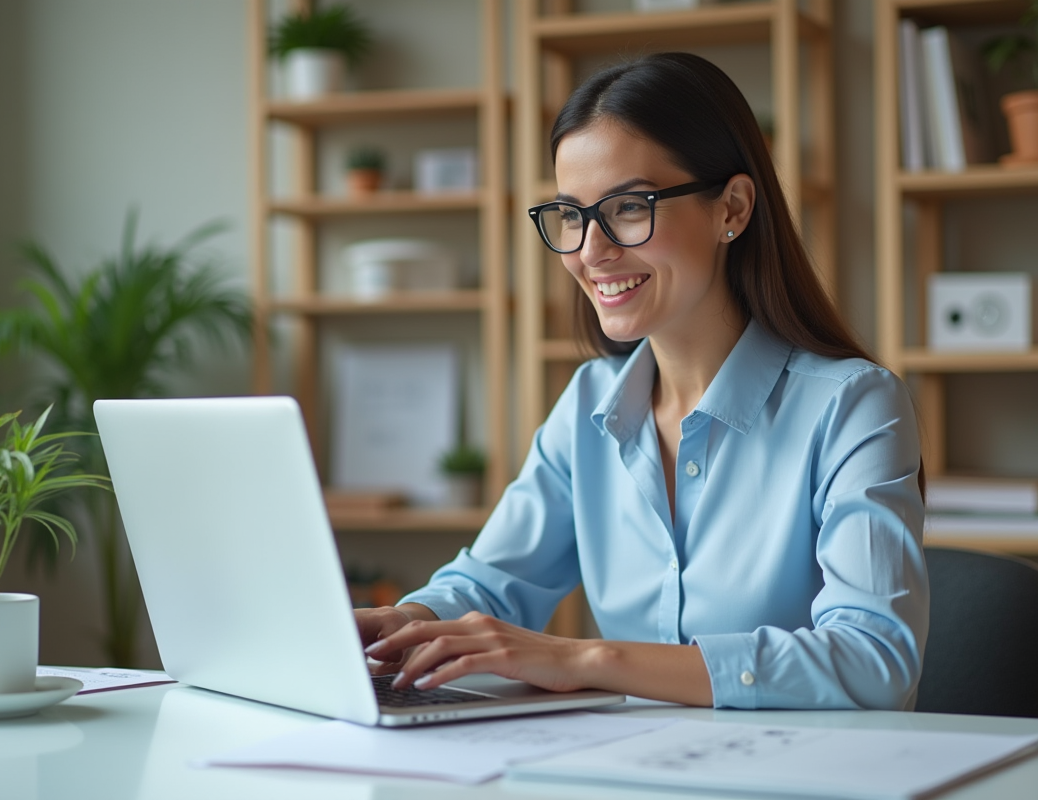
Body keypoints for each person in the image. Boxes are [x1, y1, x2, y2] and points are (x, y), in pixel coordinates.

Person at [358, 52, 928, 710]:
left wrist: (590, 659)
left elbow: (873, 659)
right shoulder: (589, 404)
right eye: (571, 216)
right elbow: (488, 587)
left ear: (732, 209)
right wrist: (397, 626)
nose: (590, 251)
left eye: (628, 207)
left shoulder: (855, 405)